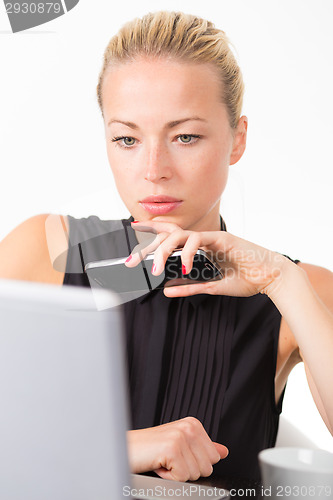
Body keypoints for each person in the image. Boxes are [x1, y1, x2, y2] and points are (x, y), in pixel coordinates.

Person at [0, 10, 332, 486]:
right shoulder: (44, 251)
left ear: (237, 139)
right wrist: (117, 448)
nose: (154, 169)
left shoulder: (300, 289)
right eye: (127, 138)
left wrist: (281, 279)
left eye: (186, 136)